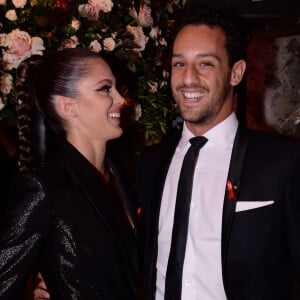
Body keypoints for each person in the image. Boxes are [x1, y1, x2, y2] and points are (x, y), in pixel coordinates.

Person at [136, 6, 300, 300]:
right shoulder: (148, 164)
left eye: (205, 64)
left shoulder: (283, 164)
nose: (188, 79)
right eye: (178, 64)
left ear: (236, 72)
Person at [0, 47, 139, 299]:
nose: (121, 99)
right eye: (105, 88)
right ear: (67, 106)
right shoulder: (45, 186)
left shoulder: (120, 174)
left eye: (116, 88)